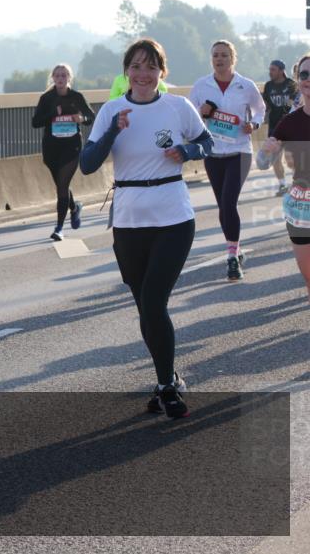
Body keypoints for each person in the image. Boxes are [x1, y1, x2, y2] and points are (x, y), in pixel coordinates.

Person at [81, 39, 213, 419]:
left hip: (173, 216)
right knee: (145, 308)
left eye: (151, 67)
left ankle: (167, 388)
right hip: (129, 220)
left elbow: (207, 142)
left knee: (154, 302)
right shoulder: (112, 109)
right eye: (136, 66)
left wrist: (187, 152)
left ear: (162, 73)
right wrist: (113, 132)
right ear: (127, 72)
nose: (143, 74)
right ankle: (166, 375)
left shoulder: (178, 106)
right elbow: (88, 163)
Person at [189, 40, 266, 281]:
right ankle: (236, 247)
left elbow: (260, 109)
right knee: (223, 206)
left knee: (228, 201)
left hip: (239, 151)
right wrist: (200, 113)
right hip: (213, 153)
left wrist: (253, 124)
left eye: (224, 55)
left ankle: (232, 258)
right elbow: (189, 115)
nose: (219, 59)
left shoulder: (246, 85)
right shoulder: (202, 85)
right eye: (215, 55)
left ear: (232, 58)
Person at [257, 53, 310, 304]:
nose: (309, 79)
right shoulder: (290, 122)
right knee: (308, 274)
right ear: (298, 80)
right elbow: (262, 164)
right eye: (305, 75)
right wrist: (266, 151)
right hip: (302, 206)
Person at [32, 64, 95, 241]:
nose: (60, 79)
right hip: (52, 147)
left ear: (69, 78)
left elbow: (91, 117)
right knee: (62, 186)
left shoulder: (76, 97)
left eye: (64, 75)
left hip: (72, 146)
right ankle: (74, 208)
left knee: (62, 186)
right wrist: (52, 114)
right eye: (57, 76)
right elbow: (35, 122)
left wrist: (81, 119)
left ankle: (59, 227)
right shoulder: (46, 98)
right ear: (53, 78)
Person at [262, 59, 299, 196]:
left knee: (291, 159)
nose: (270, 72)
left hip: (291, 127)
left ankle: (298, 183)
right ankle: (282, 184)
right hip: (274, 128)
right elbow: (266, 105)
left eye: (273, 69)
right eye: (270, 69)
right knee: (275, 158)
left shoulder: (292, 85)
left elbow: (298, 104)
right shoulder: (268, 86)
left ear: (281, 70)